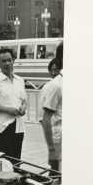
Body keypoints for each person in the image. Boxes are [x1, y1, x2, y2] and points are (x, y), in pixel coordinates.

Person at [0, 48, 27, 161]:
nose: (7, 63)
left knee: (17, 162)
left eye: (9, 60)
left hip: (19, 127)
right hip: (3, 128)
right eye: (4, 61)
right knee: (7, 163)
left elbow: (24, 100)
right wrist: (8, 110)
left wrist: (23, 107)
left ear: (13, 61)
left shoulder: (20, 80)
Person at [41, 43, 63, 171]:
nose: (53, 72)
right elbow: (45, 119)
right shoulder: (53, 86)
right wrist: (51, 148)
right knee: (56, 172)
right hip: (58, 135)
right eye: (52, 70)